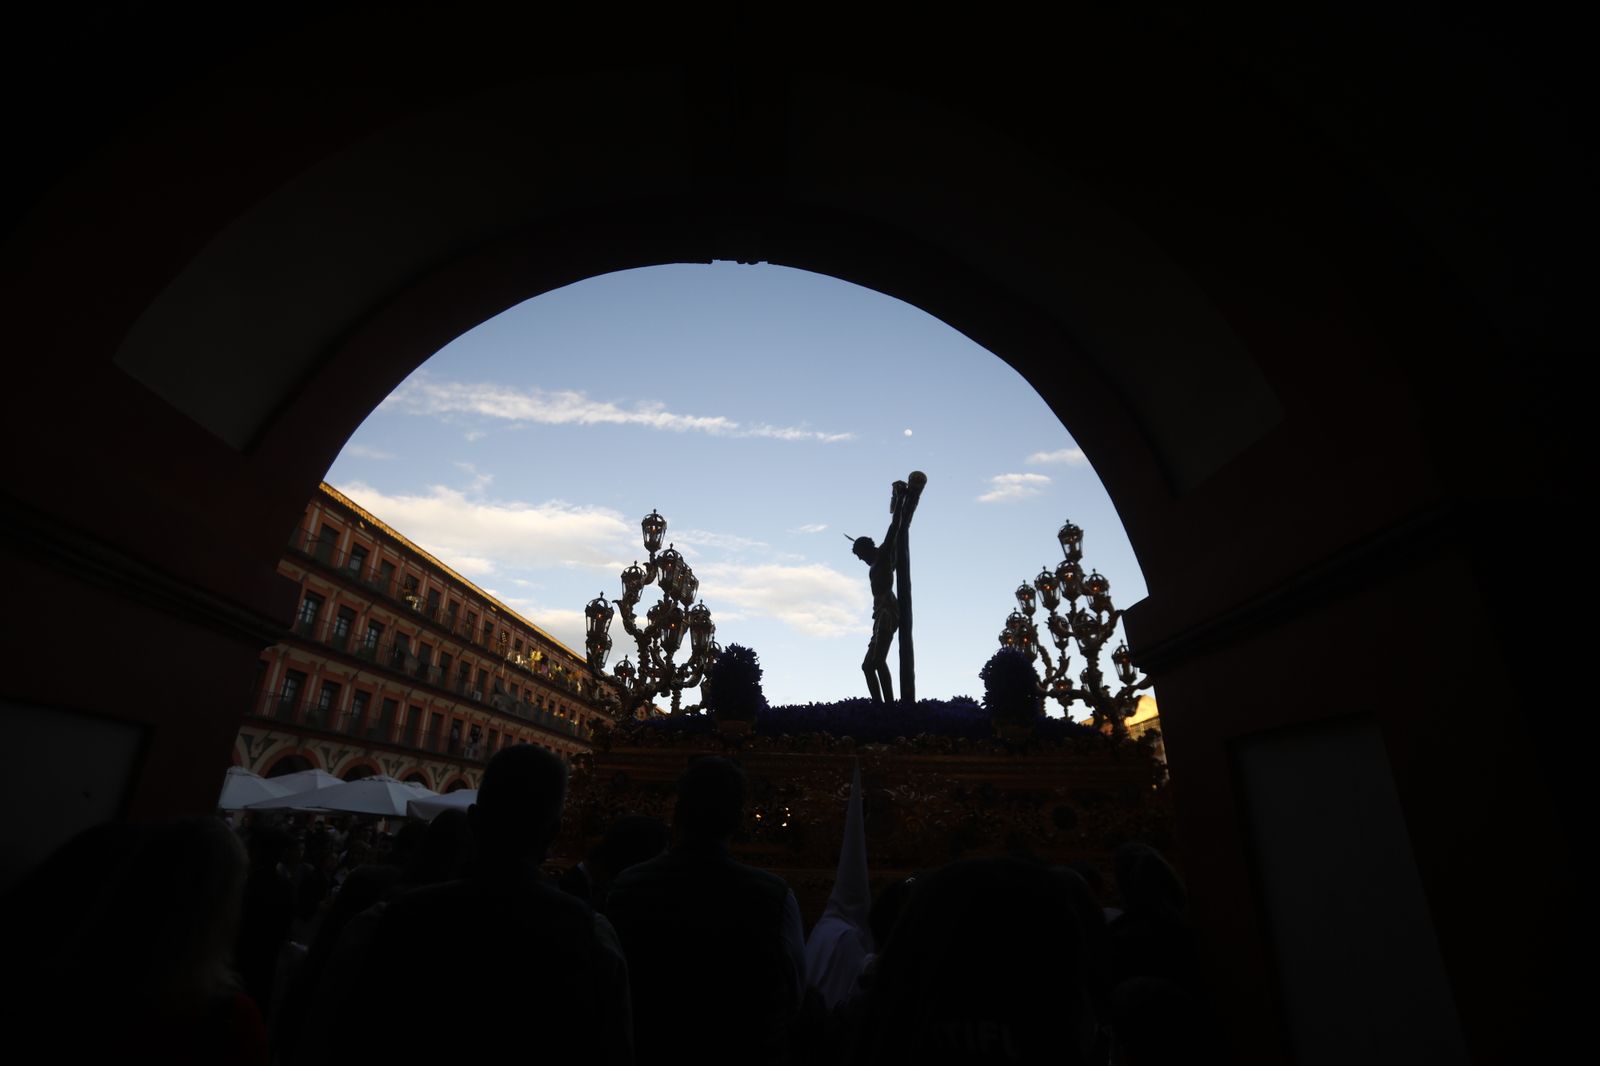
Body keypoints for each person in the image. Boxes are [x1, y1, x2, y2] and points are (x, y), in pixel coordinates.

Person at [333, 746, 632, 1063]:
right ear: (554, 834)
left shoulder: (383, 922)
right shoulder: (594, 938)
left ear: (473, 820)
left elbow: (332, 1033)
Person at [607, 756, 806, 1066]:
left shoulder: (625, 887)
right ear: (739, 820)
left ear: (676, 812)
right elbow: (795, 992)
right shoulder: (775, 897)